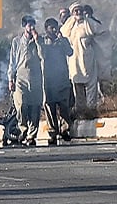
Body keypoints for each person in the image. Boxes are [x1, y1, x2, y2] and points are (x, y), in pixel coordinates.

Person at [61, 1, 105, 114]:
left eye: (79, 10)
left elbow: (103, 33)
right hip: (74, 60)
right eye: (75, 10)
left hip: (88, 59)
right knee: (77, 85)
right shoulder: (68, 26)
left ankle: (91, 109)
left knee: (91, 84)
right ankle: (80, 110)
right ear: (72, 13)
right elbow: (62, 36)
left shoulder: (89, 23)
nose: (78, 12)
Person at [8, 15, 44, 146]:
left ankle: (31, 135)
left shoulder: (39, 40)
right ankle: (22, 129)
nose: (31, 27)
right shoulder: (17, 41)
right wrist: (10, 79)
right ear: (24, 26)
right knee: (21, 105)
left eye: (33, 24)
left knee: (35, 107)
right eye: (29, 25)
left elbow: (43, 56)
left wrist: (37, 40)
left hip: (35, 77)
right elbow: (12, 62)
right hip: (20, 77)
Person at [40, 17, 74, 145]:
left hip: (62, 79)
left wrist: (62, 41)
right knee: (50, 107)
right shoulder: (42, 42)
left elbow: (70, 52)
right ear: (46, 29)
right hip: (48, 80)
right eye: (51, 28)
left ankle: (65, 130)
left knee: (64, 106)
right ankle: (53, 132)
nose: (54, 30)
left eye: (56, 27)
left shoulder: (63, 40)